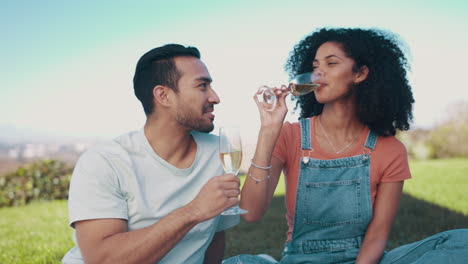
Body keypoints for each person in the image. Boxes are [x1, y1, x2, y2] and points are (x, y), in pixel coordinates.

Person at [223, 28, 468, 264]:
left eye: (331, 64)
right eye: (315, 66)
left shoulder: (390, 149)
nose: (318, 74)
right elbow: (251, 213)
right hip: (301, 260)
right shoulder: (289, 135)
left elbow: (378, 234)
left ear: (360, 74)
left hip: (364, 260)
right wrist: (269, 129)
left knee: (461, 242)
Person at [62, 44, 240, 264]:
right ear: (163, 95)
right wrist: (193, 211)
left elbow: (213, 237)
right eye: (202, 86)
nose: (215, 98)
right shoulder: (105, 162)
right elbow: (102, 259)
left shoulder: (218, 151)